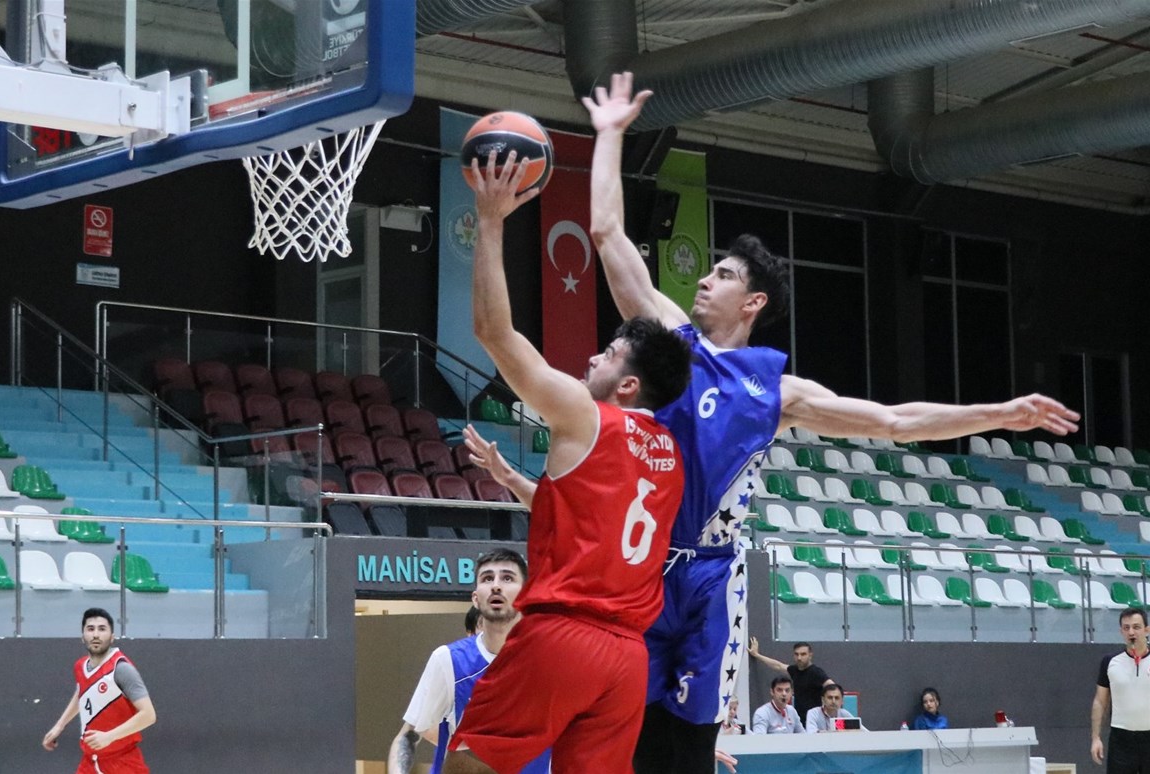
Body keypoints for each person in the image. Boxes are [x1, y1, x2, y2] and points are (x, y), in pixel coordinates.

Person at [583, 71, 1082, 774]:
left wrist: (1000, 413)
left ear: (753, 302)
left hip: (711, 578)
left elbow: (895, 421)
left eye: (721, 274)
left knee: (689, 746)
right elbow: (608, 236)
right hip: (645, 563)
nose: (702, 280)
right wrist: (609, 135)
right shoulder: (671, 344)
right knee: (623, 735)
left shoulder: (775, 391)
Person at [442, 151, 692, 774]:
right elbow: (596, 523)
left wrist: (491, 220)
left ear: (629, 384)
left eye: (608, 354)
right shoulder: (671, 455)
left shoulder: (586, 414)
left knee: (470, 762)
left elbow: (494, 333)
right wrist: (518, 483)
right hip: (626, 658)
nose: (591, 359)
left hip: (563, 634)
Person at [387, 549, 548, 774]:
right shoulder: (448, 660)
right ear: (475, 599)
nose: (496, 585)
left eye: (507, 578)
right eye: (487, 578)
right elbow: (408, 735)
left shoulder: (552, 661)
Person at [43, 608, 157, 773]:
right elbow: (83, 693)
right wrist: (60, 725)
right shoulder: (80, 666)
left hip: (123, 761)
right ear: (83, 637)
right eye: (90, 629)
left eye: (102, 629)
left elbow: (149, 715)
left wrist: (109, 736)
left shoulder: (121, 669)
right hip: (90, 761)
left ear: (112, 637)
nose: (96, 634)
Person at [1091, 607, 1150, 772]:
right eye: (1126, 628)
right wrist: (1096, 738)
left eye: (1136, 627)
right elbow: (1100, 701)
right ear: (1121, 632)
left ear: (1147, 630)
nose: (1131, 632)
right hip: (1121, 740)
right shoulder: (1110, 662)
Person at [748, 639, 833, 722]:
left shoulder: (816, 672)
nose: (799, 658)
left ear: (810, 655)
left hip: (814, 719)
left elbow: (832, 687)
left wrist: (828, 708)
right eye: (796, 654)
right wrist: (756, 655)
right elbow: (778, 666)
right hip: (799, 718)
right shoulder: (794, 670)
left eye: (803, 654)